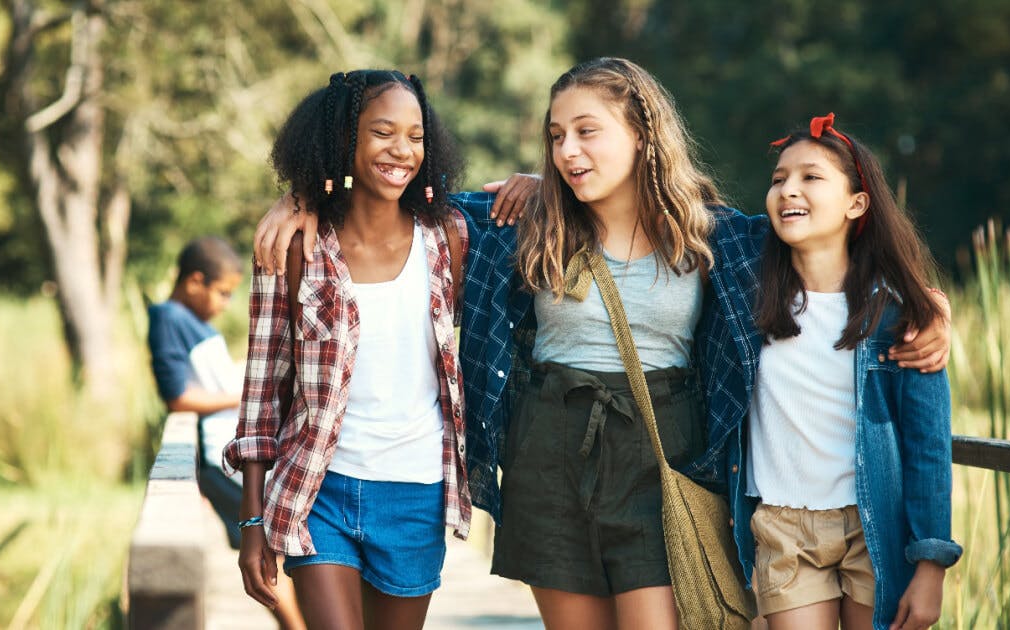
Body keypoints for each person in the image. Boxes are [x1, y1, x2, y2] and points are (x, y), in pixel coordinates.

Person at [250, 58, 953, 630]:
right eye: (556, 136)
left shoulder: (715, 236)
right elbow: (393, 204)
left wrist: (926, 305)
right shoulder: (522, 223)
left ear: (642, 131)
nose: (568, 151)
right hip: (548, 453)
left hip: (660, 453)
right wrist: (304, 196)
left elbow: (822, 237)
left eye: (587, 131)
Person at [223, 69, 472, 630]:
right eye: (383, 132)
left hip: (416, 492)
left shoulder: (449, 238)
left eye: (416, 136)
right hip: (319, 488)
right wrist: (251, 522)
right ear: (344, 140)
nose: (402, 151)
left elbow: (534, 209)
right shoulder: (294, 246)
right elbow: (261, 394)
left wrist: (529, 180)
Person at [729, 114, 960, 630]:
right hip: (783, 526)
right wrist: (542, 186)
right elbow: (667, 212)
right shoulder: (744, 298)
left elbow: (928, 447)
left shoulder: (900, 317)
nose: (789, 189)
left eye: (811, 177)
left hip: (876, 524)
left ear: (857, 203)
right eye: (778, 179)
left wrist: (931, 566)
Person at [146, 236, 304, 630]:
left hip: (234, 452)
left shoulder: (195, 324)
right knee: (270, 555)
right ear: (194, 281)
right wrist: (241, 396)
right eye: (222, 293)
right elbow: (178, 396)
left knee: (279, 551)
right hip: (219, 458)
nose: (225, 303)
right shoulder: (168, 318)